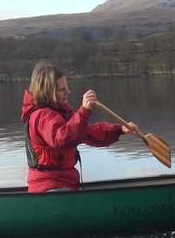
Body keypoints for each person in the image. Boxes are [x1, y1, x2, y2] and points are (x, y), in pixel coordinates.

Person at [21, 63, 140, 192]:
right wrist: (84, 111)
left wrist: (119, 129)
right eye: (62, 90)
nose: (68, 92)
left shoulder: (61, 112)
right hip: (49, 187)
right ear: (47, 92)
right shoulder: (41, 116)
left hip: (65, 183)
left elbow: (88, 132)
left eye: (66, 88)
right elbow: (63, 139)